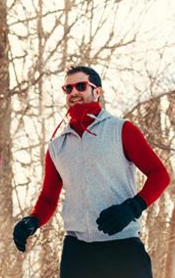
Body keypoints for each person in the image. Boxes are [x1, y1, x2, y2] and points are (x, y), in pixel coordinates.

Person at [12, 66, 170, 278]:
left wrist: (133, 207)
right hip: (78, 252)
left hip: (122, 245)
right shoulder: (57, 146)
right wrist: (33, 221)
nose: (73, 92)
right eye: (68, 89)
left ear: (98, 91)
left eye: (80, 86)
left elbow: (159, 174)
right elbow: (49, 196)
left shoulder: (121, 129)